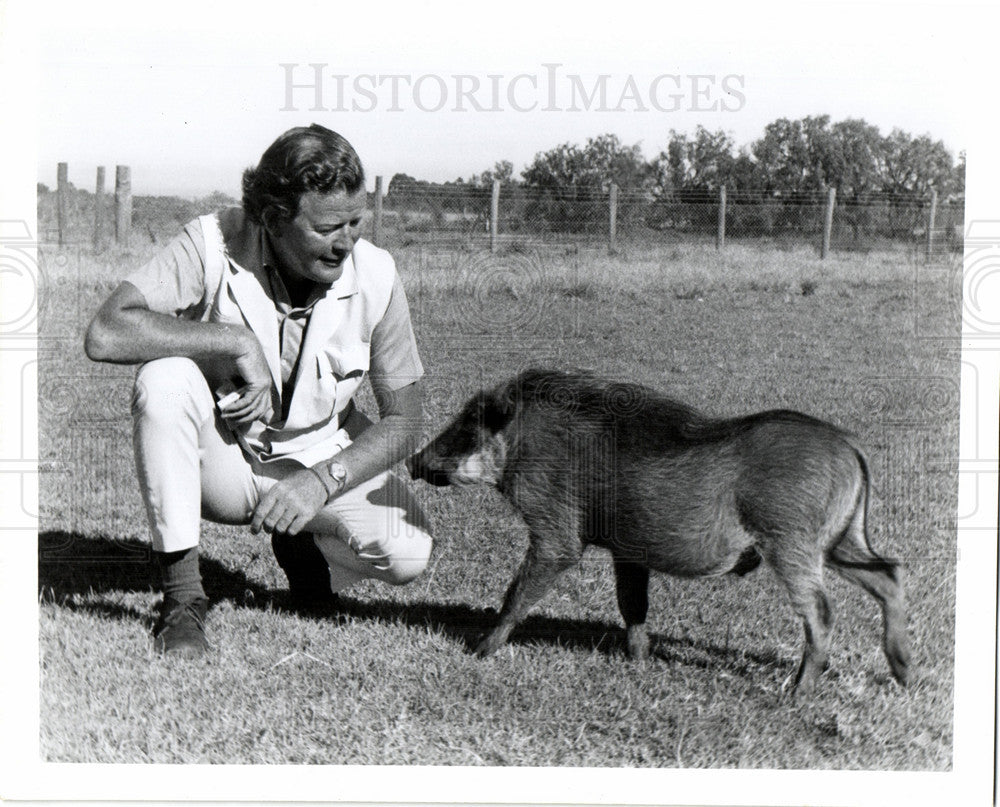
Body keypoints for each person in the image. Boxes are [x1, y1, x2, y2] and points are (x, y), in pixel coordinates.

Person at [85, 124, 433, 657]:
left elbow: (406, 420)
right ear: (273, 218)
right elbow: (107, 331)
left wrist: (322, 481)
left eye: (356, 221)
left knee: (407, 551)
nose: (346, 241)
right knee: (165, 379)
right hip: (227, 461)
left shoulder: (379, 274)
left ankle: (305, 556)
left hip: (322, 454)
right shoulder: (210, 240)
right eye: (327, 227)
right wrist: (232, 342)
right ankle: (182, 598)